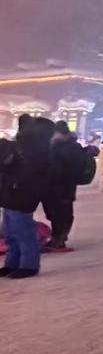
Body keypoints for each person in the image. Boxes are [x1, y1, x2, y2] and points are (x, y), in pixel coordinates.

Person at [0, 115, 55, 279]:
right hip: (10, 194)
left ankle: (29, 265)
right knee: (10, 233)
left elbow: (31, 175)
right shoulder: (22, 147)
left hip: (22, 196)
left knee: (23, 232)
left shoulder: (38, 153)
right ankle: (12, 263)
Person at [44, 121, 93, 251]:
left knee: (63, 213)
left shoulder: (69, 147)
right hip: (56, 186)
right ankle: (57, 237)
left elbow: (71, 168)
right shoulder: (58, 146)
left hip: (64, 185)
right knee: (56, 213)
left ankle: (60, 239)